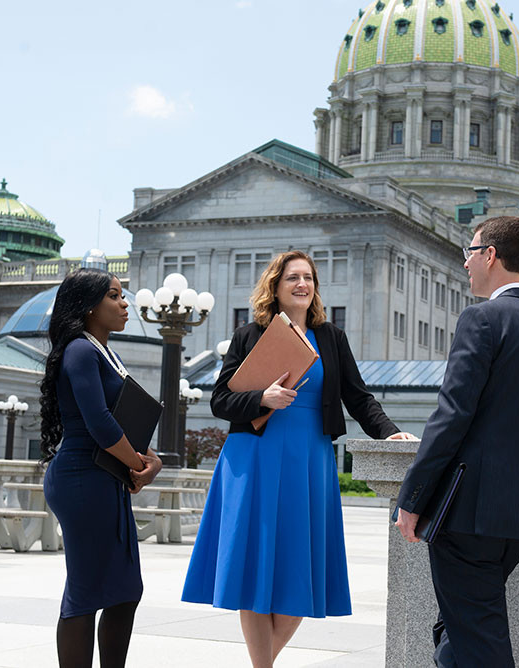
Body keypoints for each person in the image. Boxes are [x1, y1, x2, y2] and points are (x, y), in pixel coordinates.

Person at [182, 250, 414, 667]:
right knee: (253, 567)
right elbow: (220, 400)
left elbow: (358, 397)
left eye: (308, 278)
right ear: (276, 285)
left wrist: (388, 430)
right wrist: (261, 397)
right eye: (293, 278)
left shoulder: (331, 338)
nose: (302, 284)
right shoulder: (249, 334)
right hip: (254, 456)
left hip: (309, 458)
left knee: (302, 567)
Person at [394, 216, 519, 667]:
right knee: (459, 630)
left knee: (479, 639)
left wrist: (411, 498)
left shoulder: (482, 318)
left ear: (490, 255)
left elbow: (451, 415)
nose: (465, 264)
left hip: (468, 514)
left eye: (469, 253)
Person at [40, 268, 162, 668]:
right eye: (114, 296)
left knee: (126, 590)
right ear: (89, 305)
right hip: (80, 479)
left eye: (123, 295)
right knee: (87, 590)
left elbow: (121, 418)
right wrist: (137, 463)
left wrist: (149, 459)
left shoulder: (104, 350)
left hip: (104, 477)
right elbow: (99, 422)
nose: (124, 303)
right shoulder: (79, 349)